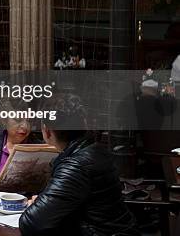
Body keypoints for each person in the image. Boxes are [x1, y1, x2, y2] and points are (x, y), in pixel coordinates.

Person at [19, 94, 139, 236]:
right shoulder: (95, 150)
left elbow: (31, 223)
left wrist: (38, 205)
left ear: (47, 131)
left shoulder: (75, 166)